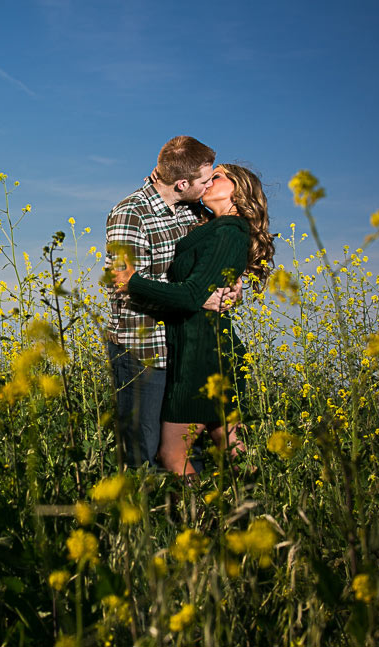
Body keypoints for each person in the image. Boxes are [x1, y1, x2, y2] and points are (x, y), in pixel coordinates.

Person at [111, 164, 274, 476]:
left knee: (173, 455)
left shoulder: (228, 232)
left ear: (239, 191)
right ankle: (263, 506)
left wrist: (132, 281)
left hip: (202, 358)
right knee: (231, 448)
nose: (208, 182)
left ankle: (198, 519)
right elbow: (171, 188)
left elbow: (190, 295)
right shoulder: (213, 227)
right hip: (211, 349)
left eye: (218, 176)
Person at [104, 135, 238, 470]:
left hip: (184, 347)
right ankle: (144, 520)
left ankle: (192, 518)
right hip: (143, 350)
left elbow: (207, 268)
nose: (210, 185)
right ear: (182, 183)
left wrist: (230, 290)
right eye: (206, 180)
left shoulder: (192, 209)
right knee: (144, 453)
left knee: (185, 448)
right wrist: (195, 300)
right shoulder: (130, 215)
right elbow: (126, 287)